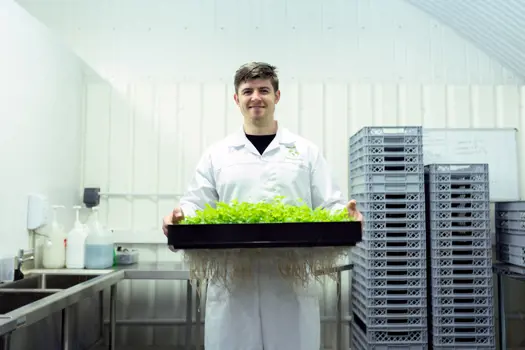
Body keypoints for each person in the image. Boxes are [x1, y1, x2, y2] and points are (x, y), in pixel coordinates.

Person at [162, 62, 363, 350]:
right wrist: (179, 218)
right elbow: (195, 205)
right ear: (237, 99)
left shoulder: (305, 152)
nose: (256, 97)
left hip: (289, 281)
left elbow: (329, 204)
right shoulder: (217, 154)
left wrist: (346, 217)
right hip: (234, 284)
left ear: (276, 97)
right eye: (248, 91)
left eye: (264, 90)